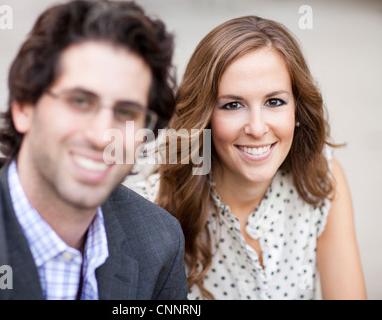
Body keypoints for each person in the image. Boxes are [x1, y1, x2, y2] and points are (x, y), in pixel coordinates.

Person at [0, 0, 187, 300]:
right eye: (80, 101)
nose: (102, 137)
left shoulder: (159, 241)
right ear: (24, 107)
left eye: (127, 111)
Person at [129, 16, 366, 299]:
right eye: (232, 105)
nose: (256, 128)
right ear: (204, 119)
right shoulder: (150, 205)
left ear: (298, 111)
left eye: (274, 102)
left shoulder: (322, 176)